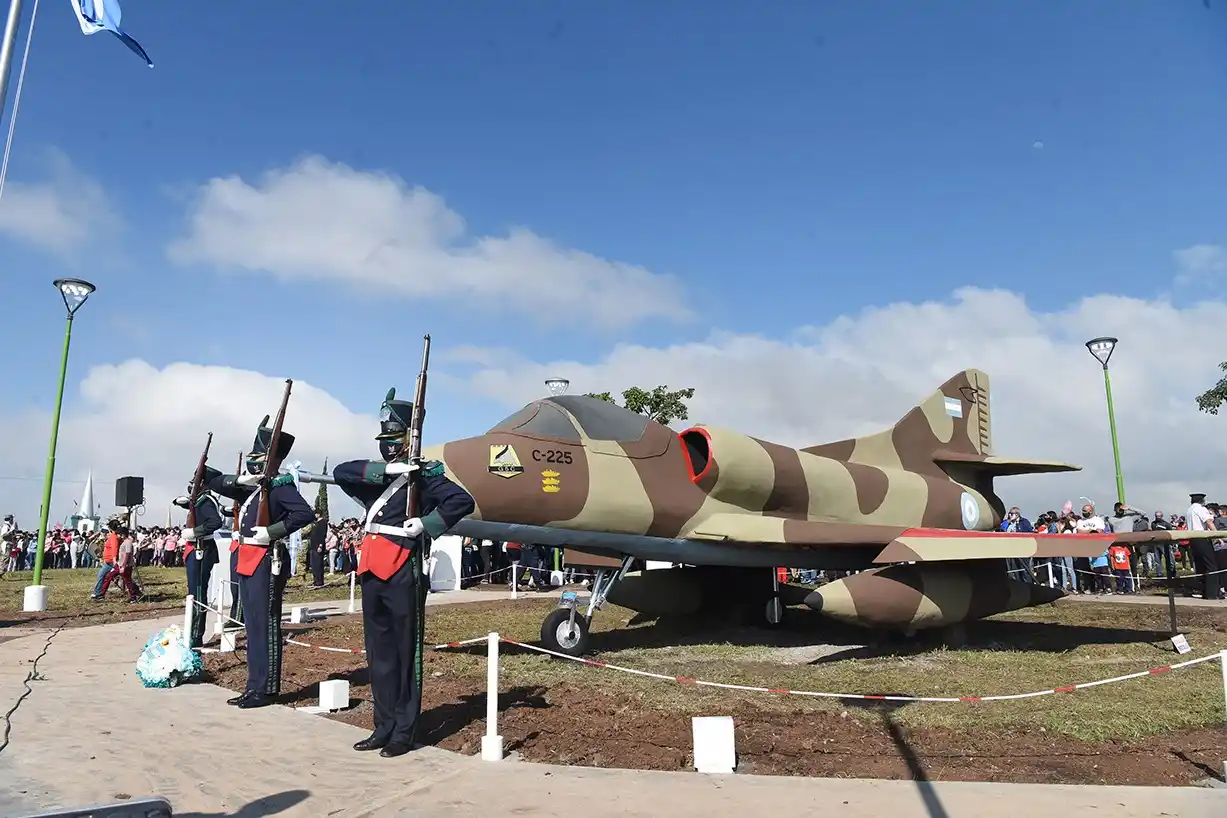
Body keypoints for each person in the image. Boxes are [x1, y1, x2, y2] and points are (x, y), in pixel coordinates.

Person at [332, 387, 474, 758]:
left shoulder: (425, 476)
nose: (387, 446)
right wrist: (389, 470)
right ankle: (383, 726)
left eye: (393, 440)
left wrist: (426, 524)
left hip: (403, 569)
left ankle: (404, 732)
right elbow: (341, 471)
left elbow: (462, 500)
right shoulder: (380, 476)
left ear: (407, 439)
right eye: (384, 440)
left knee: (404, 651)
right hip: (372, 570)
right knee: (379, 653)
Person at [207, 415, 314, 709]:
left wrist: (272, 531)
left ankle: (266, 689)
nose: (252, 464)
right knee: (252, 626)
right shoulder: (255, 488)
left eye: (258, 458)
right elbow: (216, 481)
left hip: (267, 560)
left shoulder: (279, 487)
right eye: (251, 458)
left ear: (272, 461)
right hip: (248, 559)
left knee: (265, 625)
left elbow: (305, 515)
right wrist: (220, 474)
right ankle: (253, 685)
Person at [174, 482, 225, 648]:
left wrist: (195, 532)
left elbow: (215, 522)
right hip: (196, 548)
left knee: (197, 593)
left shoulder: (206, 501)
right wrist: (182, 502)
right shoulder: (200, 500)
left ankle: (196, 636)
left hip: (201, 549)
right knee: (193, 592)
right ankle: (193, 632)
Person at [1185, 492, 1220, 602]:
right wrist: (1218, 536)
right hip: (1202, 538)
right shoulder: (1201, 509)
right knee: (1211, 566)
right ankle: (1212, 593)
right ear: (1202, 501)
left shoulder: (1189, 510)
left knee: (1200, 566)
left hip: (1193, 539)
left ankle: (1202, 590)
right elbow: (1208, 522)